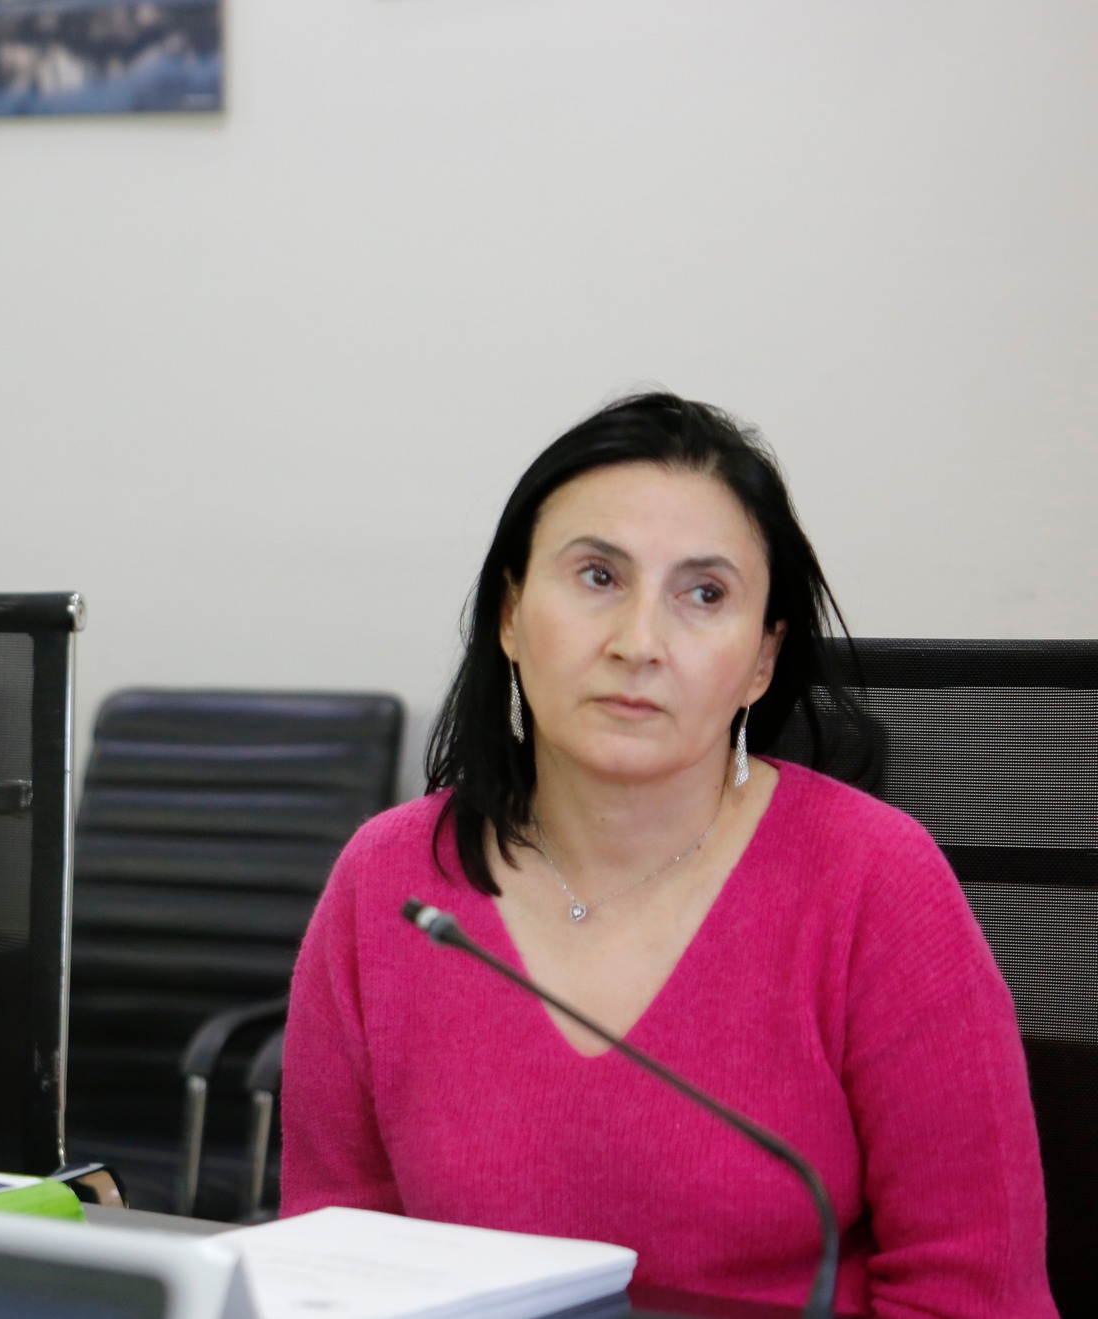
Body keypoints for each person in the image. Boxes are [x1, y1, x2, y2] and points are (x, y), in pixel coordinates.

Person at [281, 393, 1054, 1316]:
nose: (639, 643)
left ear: (762, 660)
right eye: (598, 576)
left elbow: (975, 1292)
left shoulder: (876, 881)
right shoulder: (391, 882)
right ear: (511, 613)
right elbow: (328, 1270)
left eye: (705, 594)